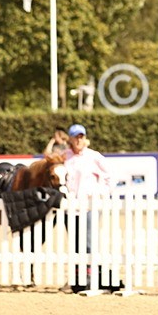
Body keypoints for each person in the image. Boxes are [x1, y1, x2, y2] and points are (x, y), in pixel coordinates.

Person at [62, 123, 113, 292]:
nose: (78, 140)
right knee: (75, 243)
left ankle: (91, 277)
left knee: (89, 242)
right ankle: (77, 278)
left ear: (85, 138)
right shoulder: (64, 157)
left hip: (89, 206)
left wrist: (99, 193)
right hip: (70, 207)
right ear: (70, 139)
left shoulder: (93, 156)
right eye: (76, 137)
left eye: (81, 136)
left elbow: (109, 176)